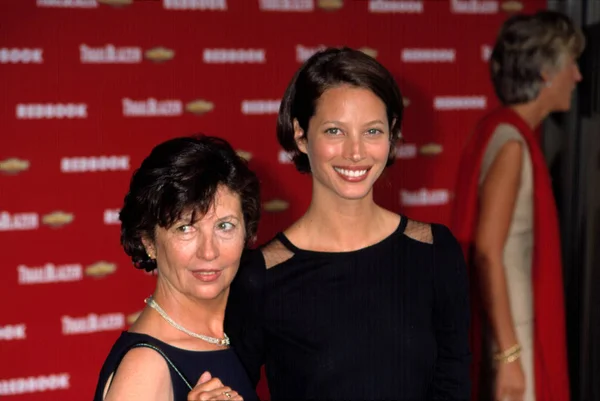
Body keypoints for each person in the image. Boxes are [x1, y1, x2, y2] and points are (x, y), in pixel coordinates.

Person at [223, 47, 471, 401]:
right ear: (300, 135)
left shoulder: (435, 252)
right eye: (335, 131)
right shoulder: (261, 276)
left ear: (392, 134)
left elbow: (454, 386)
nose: (355, 152)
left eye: (372, 131)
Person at [452, 11, 585, 401]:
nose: (577, 77)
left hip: (508, 326)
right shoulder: (511, 143)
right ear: (546, 73)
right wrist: (510, 354)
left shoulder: (499, 129)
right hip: (515, 333)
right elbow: (487, 253)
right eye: (571, 64)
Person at [93, 135, 261, 401]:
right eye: (185, 228)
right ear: (149, 241)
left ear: (246, 232)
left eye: (224, 226)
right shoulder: (145, 368)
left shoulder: (228, 338)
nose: (209, 251)